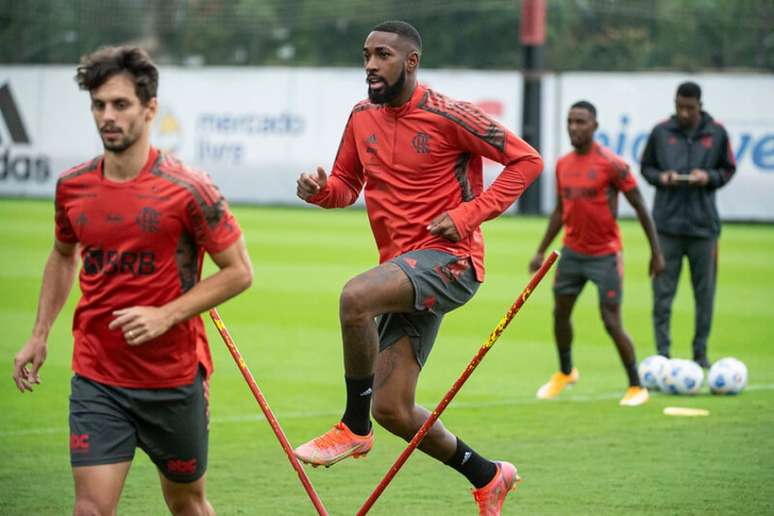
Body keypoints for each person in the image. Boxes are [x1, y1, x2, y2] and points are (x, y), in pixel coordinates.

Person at [294, 20, 543, 515]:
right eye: (366, 55)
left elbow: (527, 161)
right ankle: (488, 475)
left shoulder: (450, 114)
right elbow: (346, 183)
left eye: (382, 55)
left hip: (452, 263)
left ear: (410, 62)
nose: (369, 65)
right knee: (394, 408)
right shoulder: (361, 116)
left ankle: (352, 427)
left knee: (353, 297)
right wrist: (320, 192)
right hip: (404, 271)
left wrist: (469, 214)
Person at [11, 46, 253, 516]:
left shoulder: (189, 189)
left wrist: (167, 314)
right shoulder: (72, 187)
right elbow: (63, 256)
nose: (107, 116)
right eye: (99, 105)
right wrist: (39, 335)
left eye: (120, 105)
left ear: (149, 109)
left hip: (173, 378)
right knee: (90, 509)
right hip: (98, 374)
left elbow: (240, 271)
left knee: (186, 502)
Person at [529, 101, 665, 407]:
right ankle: (565, 372)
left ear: (595, 126)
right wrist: (540, 251)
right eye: (570, 121)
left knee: (610, 320)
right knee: (560, 313)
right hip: (572, 253)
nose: (574, 127)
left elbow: (641, 206)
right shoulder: (562, 165)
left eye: (581, 122)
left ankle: (635, 385)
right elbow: (560, 211)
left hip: (605, 255)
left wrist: (656, 253)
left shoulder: (612, 164)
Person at [641, 81, 736, 368]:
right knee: (662, 296)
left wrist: (708, 177)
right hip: (666, 228)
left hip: (703, 228)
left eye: (689, 108)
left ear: (699, 105)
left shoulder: (716, 133)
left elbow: (728, 168)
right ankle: (663, 354)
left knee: (704, 295)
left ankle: (700, 354)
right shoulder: (661, 132)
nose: (683, 113)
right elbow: (646, 167)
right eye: (679, 106)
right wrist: (662, 178)